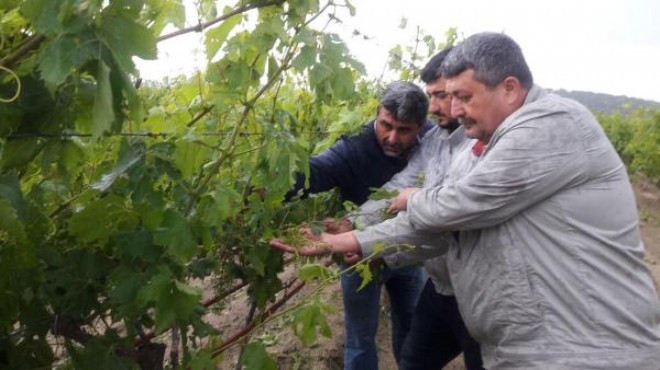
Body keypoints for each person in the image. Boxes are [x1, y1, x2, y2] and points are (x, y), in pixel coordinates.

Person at [272, 32, 660, 369]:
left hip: (586, 347)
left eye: (462, 97)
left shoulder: (550, 124)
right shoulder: (472, 144)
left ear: (509, 88)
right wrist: (353, 236)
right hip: (520, 335)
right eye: (445, 97)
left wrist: (409, 203)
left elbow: (457, 206)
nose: (453, 110)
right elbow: (440, 222)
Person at [349, 47, 484, 370]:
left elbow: (443, 226)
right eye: (432, 96)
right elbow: (399, 186)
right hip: (441, 285)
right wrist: (352, 223)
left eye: (443, 95)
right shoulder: (436, 139)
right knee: (414, 360)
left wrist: (359, 243)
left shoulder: (482, 145)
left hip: (478, 291)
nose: (434, 106)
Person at [286, 81, 432, 370]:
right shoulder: (355, 146)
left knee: (413, 328)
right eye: (385, 125)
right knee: (360, 338)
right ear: (377, 114)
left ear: (420, 127)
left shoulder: (431, 143)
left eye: (403, 130)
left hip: (408, 251)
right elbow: (317, 171)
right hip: (357, 254)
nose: (391, 137)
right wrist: (277, 183)